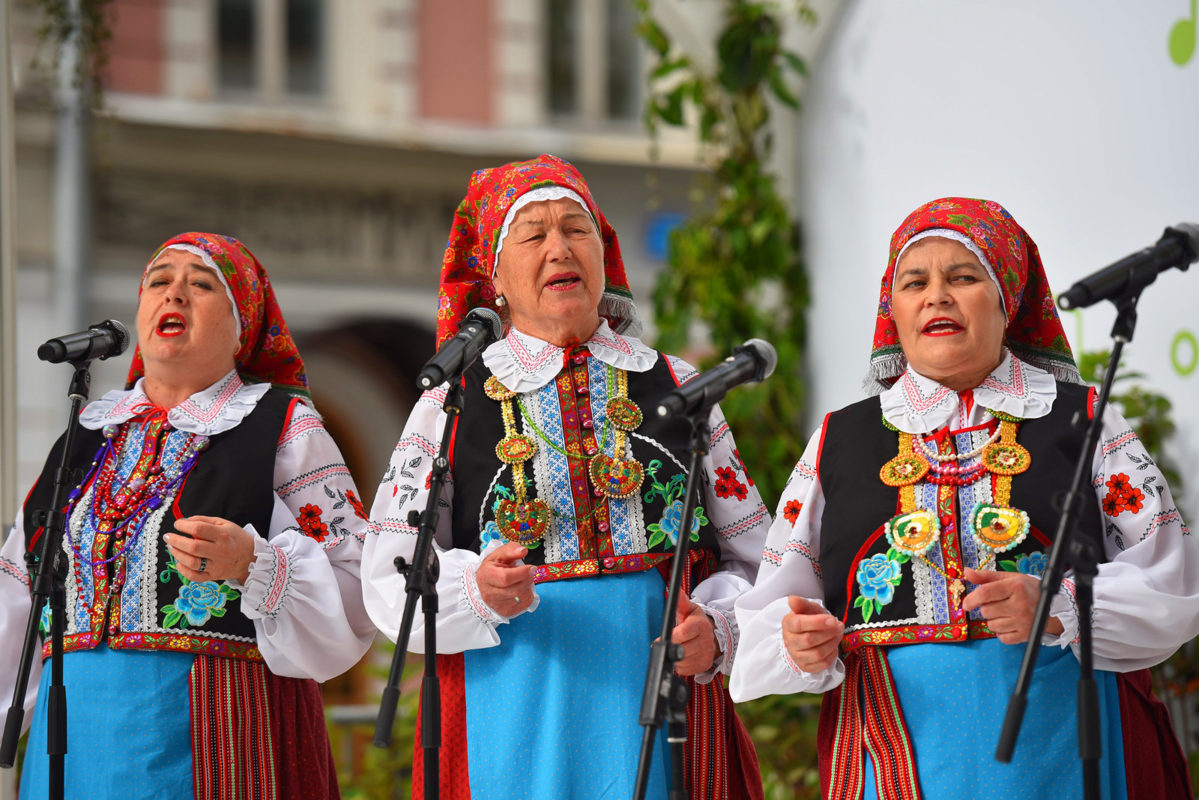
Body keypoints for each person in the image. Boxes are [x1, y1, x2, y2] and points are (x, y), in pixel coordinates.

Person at [730, 198, 1198, 799]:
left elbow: (1173, 580)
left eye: (963, 277)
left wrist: (1055, 607)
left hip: (1058, 746)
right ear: (892, 311)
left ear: (1007, 301)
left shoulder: (1086, 420)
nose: (936, 296)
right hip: (896, 750)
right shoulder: (840, 438)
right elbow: (773, 606)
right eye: (914, 282)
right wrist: (797, 644)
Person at [363, 154, 770, 799]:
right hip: (512, 696)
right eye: (533, 235)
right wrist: (474, 589)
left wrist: (717, 629)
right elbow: (391, 567)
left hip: (656, 688)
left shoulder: (677, 384)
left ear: (604, 256)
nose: (559, 248)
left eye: (576, 230)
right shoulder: (451, 399)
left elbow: (758, 558)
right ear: (495, 277)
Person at [0, 232, 375, 799]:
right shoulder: (85, 438)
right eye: (158, 282)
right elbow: (18, 593)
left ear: (242, 325)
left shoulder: (283, 427)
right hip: (74, 743)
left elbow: (355, 578)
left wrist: (255, 564)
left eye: (201, 285)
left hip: (213, 735)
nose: (174, 294)